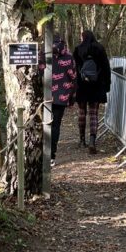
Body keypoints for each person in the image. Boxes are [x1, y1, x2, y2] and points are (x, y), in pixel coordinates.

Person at [73, 29, 111, 154]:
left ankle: (82, 140)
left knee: (82, 112)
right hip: (97, 85)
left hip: (82, 86)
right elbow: (106, 67)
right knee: (94, 113)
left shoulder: (78, 49)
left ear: (83, 37)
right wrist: (107, 84)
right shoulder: (100, 48)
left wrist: (73, 86)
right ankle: (92, 141)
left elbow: (74, 69)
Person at [49, 34, 77, 167]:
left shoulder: (44, 54)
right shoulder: (69, 58)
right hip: (61, 98)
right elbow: (73, 78)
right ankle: (51, 155)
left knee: (44, 124)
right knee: (55, 125)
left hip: (44, 97)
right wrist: (71, 98)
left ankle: (43, 153)